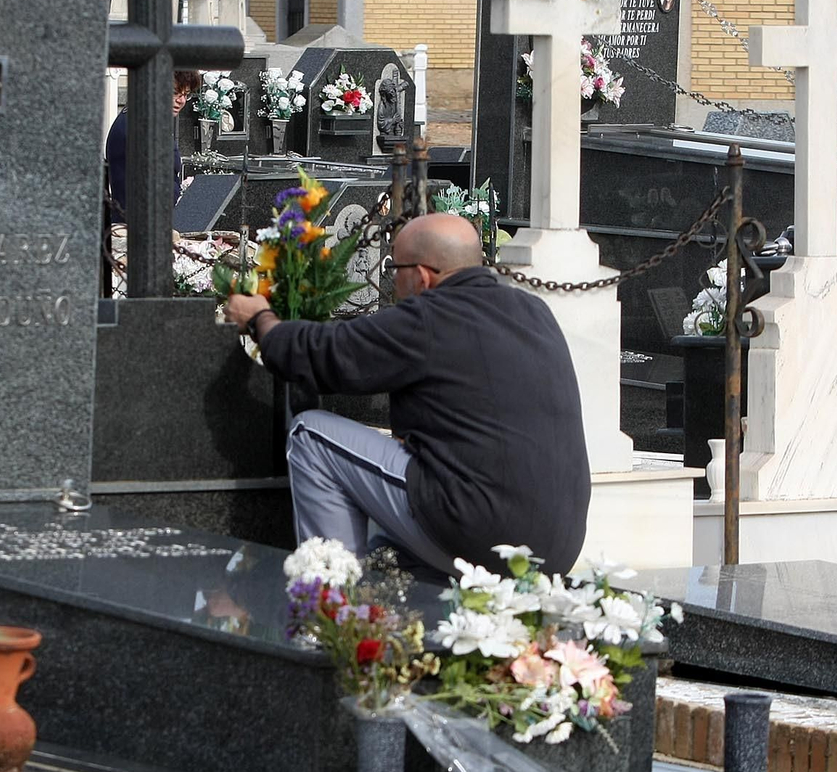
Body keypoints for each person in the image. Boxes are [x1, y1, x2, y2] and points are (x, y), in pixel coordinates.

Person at [222, 213, 592, 574]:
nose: (392, 283)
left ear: (420, 276)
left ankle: (332, 607)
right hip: (555, 553)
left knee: (310, 435)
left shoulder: (432, 314)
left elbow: (322, 355)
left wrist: (261, 319)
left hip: (482, 534)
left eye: (393, 270)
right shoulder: (534, 311)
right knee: (396, 510)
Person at [104, 70, 203, 223]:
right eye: (175, 92)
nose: (181, 100)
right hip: (141, 227)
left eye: (186, 94)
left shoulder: (138, 117)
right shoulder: (143, 124)